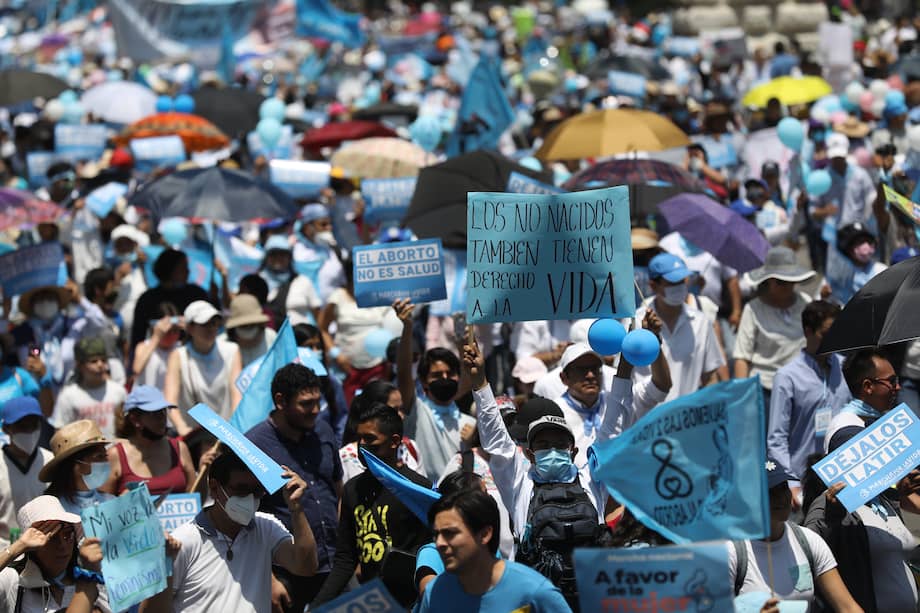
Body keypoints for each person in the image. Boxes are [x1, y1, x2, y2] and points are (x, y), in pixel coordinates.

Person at [141, 451, 318, 613]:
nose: (249, 499)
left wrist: (297, 509)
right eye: (241, 490)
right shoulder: (183, 541)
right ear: (215, 488)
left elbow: (305, 566)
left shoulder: (266, 527)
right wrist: (165, 567)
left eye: (256, 491)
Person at [312, 403, 431, 607]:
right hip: (375, 603)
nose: (362, 445)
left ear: (394, 441)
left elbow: (431, 551)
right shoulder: (353, 490)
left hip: (413, 603)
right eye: (360, 438)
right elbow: (345, 559)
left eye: (370, 439)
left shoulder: (417, 489)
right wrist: (317, 606)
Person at [245, 364, 343, 611]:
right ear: (280, 401)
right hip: (287, 573)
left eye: (317, 402)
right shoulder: (252, 447)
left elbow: (337, 490)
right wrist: (268, 579)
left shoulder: (323, 430)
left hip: (336, 565)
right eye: (305, 404)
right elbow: (242, 522)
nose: (315, 411)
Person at [729, 463, 862, 612]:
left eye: (783, 488)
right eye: (770, 492)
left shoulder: (809, 541)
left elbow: (848, 608)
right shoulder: (730, 553)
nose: (780, 497)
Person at [418, 489, 571, 612]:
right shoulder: (435, 593)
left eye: (450, 533)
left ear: (484, 534)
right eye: (436, 535)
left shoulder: (534, 592)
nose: (439, 543)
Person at [767, 301, 851, 510]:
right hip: (803, 482)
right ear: (808, 331)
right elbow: (776, 438)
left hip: (844, 476)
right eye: (826, 333)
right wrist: (791, 484)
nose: (833, 340)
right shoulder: (787, 377)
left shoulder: (845, 367)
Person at [394, 299, 475, 482]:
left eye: (450, 373)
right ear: (424, 382)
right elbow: (404, 372)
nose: (445, 379)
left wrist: (463, 341)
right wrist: (408, 327)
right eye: (437, 375)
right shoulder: (417, 412)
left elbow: (471, 376)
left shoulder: (469, 424)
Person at [634, 253, 725, 407]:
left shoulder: (701, 322)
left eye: (682, 281)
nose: (680, 287)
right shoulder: (635, 322)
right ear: (653, 286)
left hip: (686, 423)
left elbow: (710, 377)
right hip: (646, 422)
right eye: (672, 282)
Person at [734, 247, 815, 407]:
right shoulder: (753, 309)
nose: (787, 287)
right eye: (781, 282)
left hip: (802, 387)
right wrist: (742, 399)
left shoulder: (805, 302)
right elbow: (742, 357)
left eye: (791, 281)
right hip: (766, 391)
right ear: (769, 281)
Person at [0, 495, 109, 612]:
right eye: (51, 537)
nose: (62, 545)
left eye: (68, 534)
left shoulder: (91, 577)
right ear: (31, 546)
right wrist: (19, 546)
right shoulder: (14, 580)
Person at [318, 259, 398, 403]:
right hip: (346, 370)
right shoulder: (337, 297)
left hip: (378, 368)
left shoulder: (381, 297)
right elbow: (322, 329)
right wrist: (336, 354)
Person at [101, 385, 199, 496]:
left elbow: (196, 497)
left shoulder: (180, 448)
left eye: (163, 411)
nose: (162, 418)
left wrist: (204, 470)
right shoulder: (115, 455)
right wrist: (123, 503)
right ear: (135, 419)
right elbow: (102, 507)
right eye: (154, 413)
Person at [164, 300, 242, 433]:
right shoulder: (178, 356)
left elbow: (237, 395)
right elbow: (170, 400)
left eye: (214, 323)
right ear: (190, 328)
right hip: (192, 436)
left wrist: (233, 430)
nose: (211, 328)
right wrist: (182, 428)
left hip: (227, 435)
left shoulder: (232, 351)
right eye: (204, 324)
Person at [824, 349, 902, 453]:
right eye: (891, 381)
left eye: (897, 380)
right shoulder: (845, 431)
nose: (898, 387)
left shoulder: (883, 419)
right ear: (868, 386)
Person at [130, 249, 209, 350]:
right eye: (183, 268)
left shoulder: (196, 294)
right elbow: (138, 335)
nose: (188, 271)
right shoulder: (148, 299)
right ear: (170, 269)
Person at [0, 397, 53, 547]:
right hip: (6, 552)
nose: (29, 431)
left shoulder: (50, 461)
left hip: (46, 549)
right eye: (22, 426)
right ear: (6, 429)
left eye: (34, 425)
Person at [51, 337, 126, 440]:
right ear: (80, 365)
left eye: (103, 360)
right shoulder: (68, 396)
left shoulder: (118, 391)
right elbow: (60, 433)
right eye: (93, 361)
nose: (100, 365)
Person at [65, 267, 126, 384]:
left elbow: (122, 347)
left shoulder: (116, 316)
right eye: (111, 286)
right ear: (98, 290)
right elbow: (98, 319)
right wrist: (78, 298)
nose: (115, 289)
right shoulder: (81, 319)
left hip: (116, 375)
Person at [40, 420, 114, 515]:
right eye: (99, 456)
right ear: (75, 465)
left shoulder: (111, 502)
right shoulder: (54, 509)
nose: (105, 462)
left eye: (105, 456)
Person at [259, 235, 322, 327]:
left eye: (283, 254)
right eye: (273, 254)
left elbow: (317, 315)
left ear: (290, 257)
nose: (278, 258)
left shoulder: (302, 281)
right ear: (266, 257)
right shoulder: (257, 281)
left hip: (301, 337)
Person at [292, 203, 345, 303]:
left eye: (330, 223)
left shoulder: (332, 249)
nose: (329, 228)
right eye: (323, 224)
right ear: (308, 227)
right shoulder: (296, 253)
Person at [131, 303, 182, 389]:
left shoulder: (181, 347)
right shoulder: (144, 346)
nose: (172, 335)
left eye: (176, 331)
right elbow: (137, 369)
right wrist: (157, 336)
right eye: (168, 331)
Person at [223, 294, 276, 368]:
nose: (249, 337)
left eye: (252, 325)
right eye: (244, 327)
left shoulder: (271, 337)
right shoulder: (224, 344)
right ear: (233, 332)